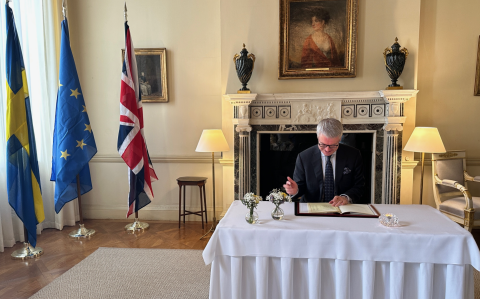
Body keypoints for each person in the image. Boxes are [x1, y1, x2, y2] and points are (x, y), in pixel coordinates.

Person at [283, 118, 364, 206]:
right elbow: (300, 186)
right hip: (313, 207)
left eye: (333, 145)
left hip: (341, 207)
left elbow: (359, 185)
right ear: (317, 137)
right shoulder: (304, 157)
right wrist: (296, 190)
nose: (327, 149)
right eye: (323, 144)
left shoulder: (353, 155)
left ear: (340, 138)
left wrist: (345, 197)